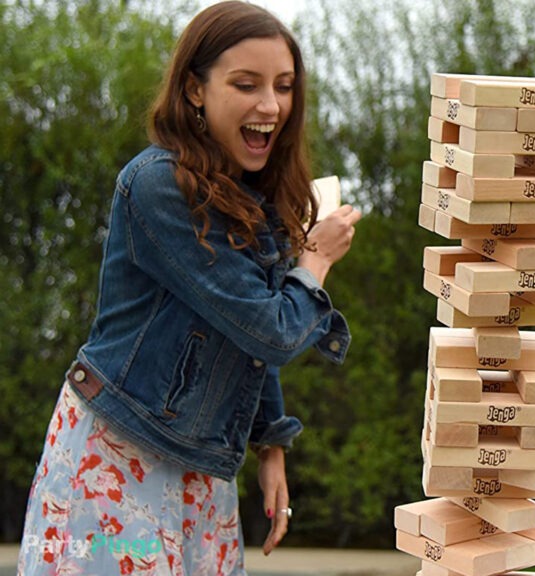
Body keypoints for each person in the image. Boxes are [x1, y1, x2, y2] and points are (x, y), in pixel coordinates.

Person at [17, 2, 362, 574]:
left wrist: (271, 446)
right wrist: (316, 260)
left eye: (283, 86)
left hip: (202, 463)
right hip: (118, 456)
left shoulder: (251, 196)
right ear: (195, 90)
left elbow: (245, 337)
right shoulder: (156, 185)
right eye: (245, 84)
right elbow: (269, 330)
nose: (270, 105)